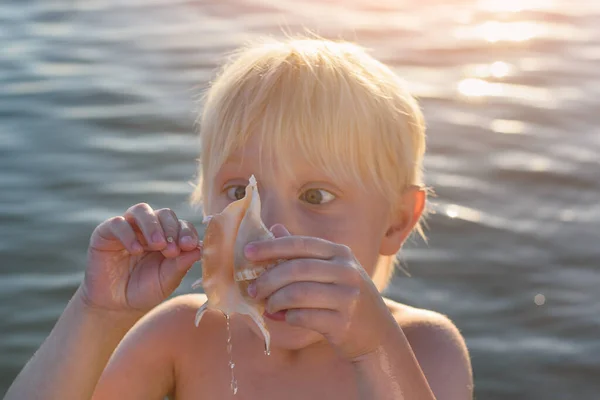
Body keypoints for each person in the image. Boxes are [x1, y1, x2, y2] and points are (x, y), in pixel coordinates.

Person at [5, 36, 473, 400]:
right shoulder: (181, 337)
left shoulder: (424, 349)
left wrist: (375, 351)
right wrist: (98, 313)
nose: (265, 228)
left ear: (395, 221)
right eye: (237, 192)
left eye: (316, 194)